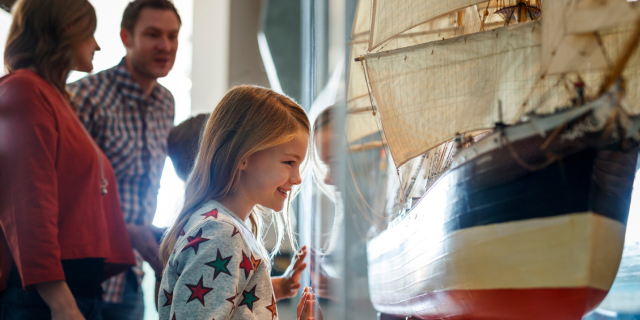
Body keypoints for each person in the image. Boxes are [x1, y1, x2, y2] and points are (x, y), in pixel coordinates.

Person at [0, 0, 136, 319]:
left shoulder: (54, 96)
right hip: (43, 298)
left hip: (70, 292)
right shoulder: (24, 90)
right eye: (91, 34)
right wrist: (61, 302)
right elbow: (27, 203)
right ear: (68, 29)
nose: (98, 45)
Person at [158, 85, 321, 319]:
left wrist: (282, 288)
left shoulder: (224, 228)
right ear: (243, 156)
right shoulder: (220, 232)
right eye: (288, 162)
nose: (296, 179)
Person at [68, 0, 180, 318]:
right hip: (84, 275)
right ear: (125, 37)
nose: (165, 46)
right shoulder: (84, 96)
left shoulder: (165, 102)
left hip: (132, 275)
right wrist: (128, 230)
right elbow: (68, 194)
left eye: (173, 36)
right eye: (153, 35)